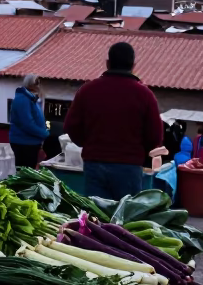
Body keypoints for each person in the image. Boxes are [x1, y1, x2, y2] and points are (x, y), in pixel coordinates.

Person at [62, 40, 164, 200]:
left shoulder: (88, 90)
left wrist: (88, 144)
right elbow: (155, 137)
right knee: (125, 218)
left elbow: (71, 125)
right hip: (129, 167)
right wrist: (137, 151)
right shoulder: (144, 95)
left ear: (108, 63)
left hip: (94, 164)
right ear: (133, 65)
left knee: (97, 219)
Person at [9, 74, 49, 168]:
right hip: (24, 144)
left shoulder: (30, 99)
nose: (38, 85)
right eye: (36, 82)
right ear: (30, 84)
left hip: (31, 143)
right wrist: (44, 134)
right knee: (24, 175)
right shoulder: (23, 99)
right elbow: (27, 124)